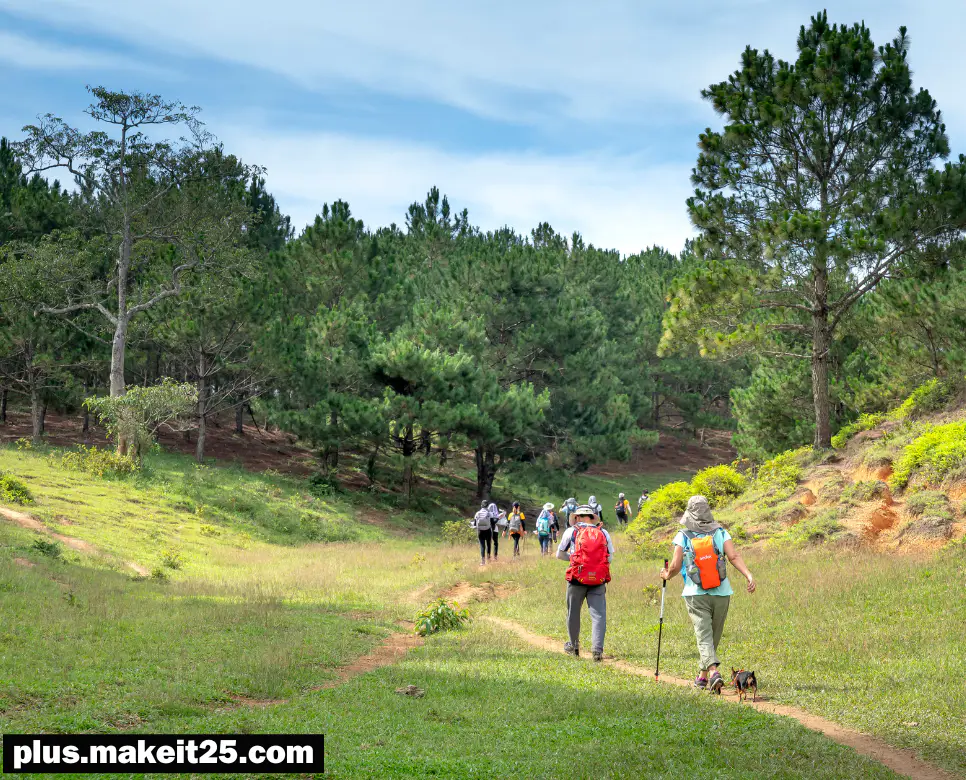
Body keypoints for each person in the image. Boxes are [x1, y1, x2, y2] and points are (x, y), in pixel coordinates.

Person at [660, 495, 756, 693]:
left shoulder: (683, 535)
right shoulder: (720, 532)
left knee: (703, 635)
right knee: (713, 636)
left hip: (695, 594)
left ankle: (713, 673)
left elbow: (676, 565)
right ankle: (702, 677)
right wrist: (748, 574)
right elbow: (733, 556)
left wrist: (666, 575)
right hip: (722, 593)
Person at [556, 504, 614, 662]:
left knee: (573, 612)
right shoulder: (603, 532)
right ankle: (597, 651)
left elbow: (559, 554)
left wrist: (574, 559)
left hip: (576, 578)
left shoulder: (572, 531)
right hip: (598, 580)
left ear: (577, 517)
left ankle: (574, 646)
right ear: (592, 517)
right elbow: (609, 558)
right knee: (599, 615)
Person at [472, 501, 492, 566]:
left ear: (481, 505)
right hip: (488, 530)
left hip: (480, 531)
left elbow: (475, 524)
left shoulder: (477, 513)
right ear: (487, 506)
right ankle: (488, 559)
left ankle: (483, 561)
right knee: (488, 544)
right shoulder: (489, 513)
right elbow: (492, 522)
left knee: (482, 546)